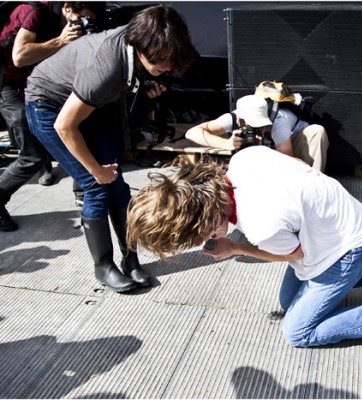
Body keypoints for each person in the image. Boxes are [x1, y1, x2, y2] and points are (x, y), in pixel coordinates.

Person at [126, 146, 362, 347]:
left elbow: (293, 254)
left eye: (198, 236)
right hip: (352, 220)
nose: (203, 240)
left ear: (203, 218)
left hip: (349, 248)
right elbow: (298, 164)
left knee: (297, 331)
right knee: (289, 302)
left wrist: (235, 248)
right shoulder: (244, 159)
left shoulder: (260, 223)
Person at [24, 5, 195, 292]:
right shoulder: (104, 67)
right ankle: (103, 267)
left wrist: (146, 85)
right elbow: (65, 126)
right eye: (163, 59)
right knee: (95, 184)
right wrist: (95, 170)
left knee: (117, 184)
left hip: (89, 105)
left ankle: (131, 259)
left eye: (172, 60)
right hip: (49, 107)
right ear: (142, 44)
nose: (168, 67)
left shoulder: (134, 46)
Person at [0, 1, 104, 232]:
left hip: (43, 84)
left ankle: (83, 192)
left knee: (76, 131)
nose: (83, 23)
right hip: (12, 85)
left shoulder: (65, 22)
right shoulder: (34, 12)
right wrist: (60, 41)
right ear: (67, 7)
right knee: (31, 156)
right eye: (82, 18)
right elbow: (19, 56)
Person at [185, 93, 329, 172]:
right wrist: (226, 143)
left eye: (261, 125)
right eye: (252, 125)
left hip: (294, 146)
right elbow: (191, 133)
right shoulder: (233, 118)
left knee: (317, 131)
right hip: (274, 153)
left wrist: (263, 150)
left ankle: (315, 186)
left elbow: (288, 163)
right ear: (240, 119)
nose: (258, 130)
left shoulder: (279, 122)